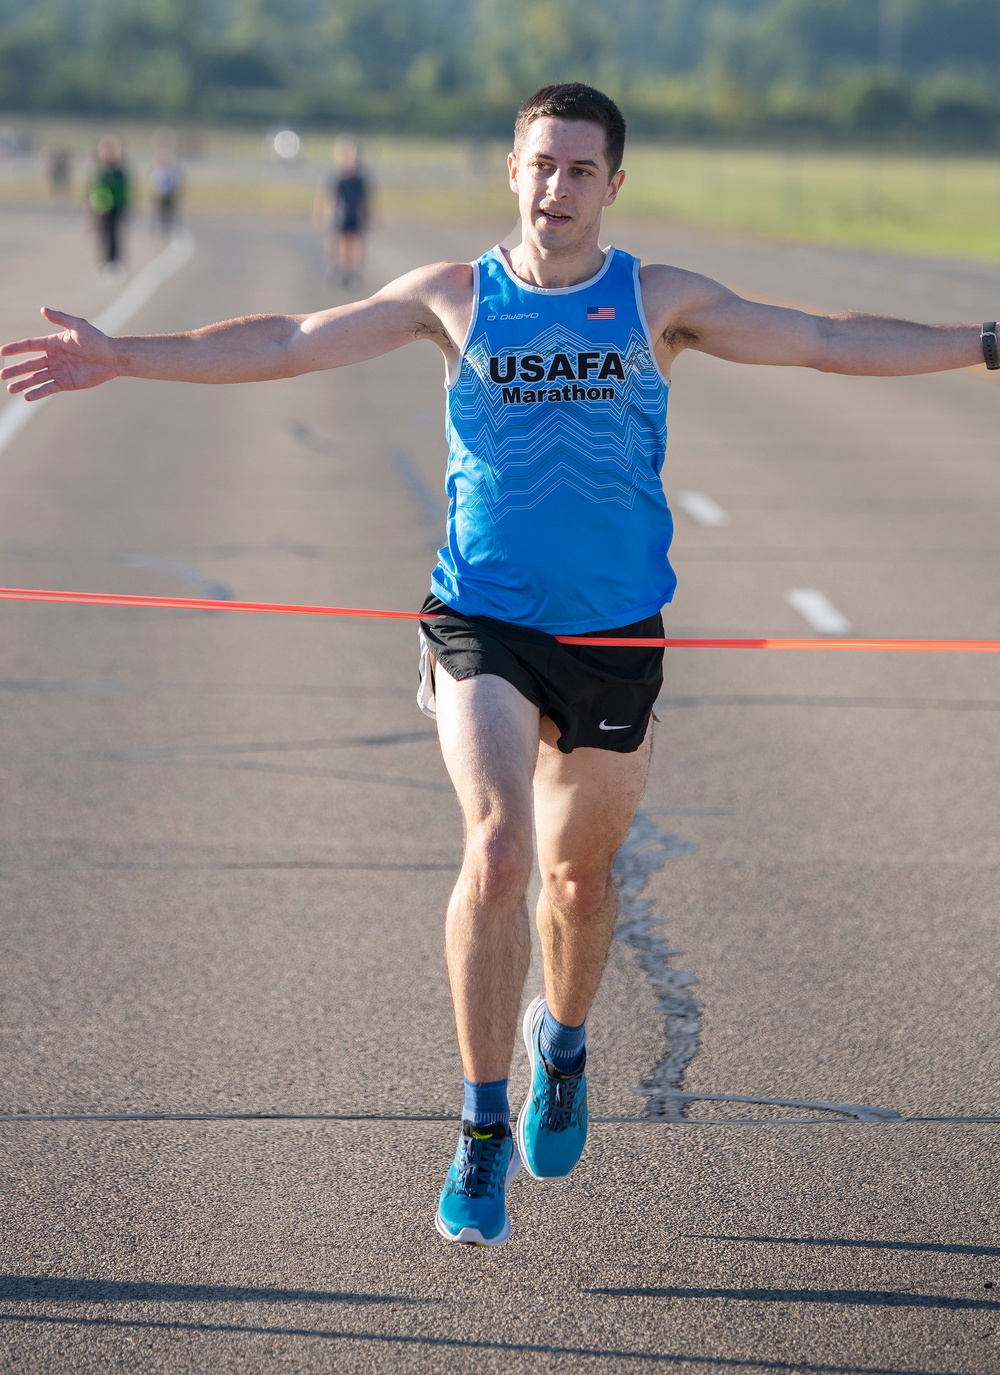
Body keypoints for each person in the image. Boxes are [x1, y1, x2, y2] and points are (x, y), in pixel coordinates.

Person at [0, 83, 992, 1248]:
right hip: (481, 619)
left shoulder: (656, 301)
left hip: (616, 634)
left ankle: (559, 1045)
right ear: (509, 170)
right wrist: (125, 355)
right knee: (500, 847)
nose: (556, 187)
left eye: (580, 169)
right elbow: (285, 339)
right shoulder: (454, 297)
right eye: (539, 164)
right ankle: (478, 1126)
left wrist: (980, 342)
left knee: (579, 880)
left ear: (611, 185)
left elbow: (824, 338)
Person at [314, 138, 370, 287]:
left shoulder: (359, 178)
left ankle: (351, 270)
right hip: (339, 215)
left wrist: (367, 214)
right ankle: (335, 267)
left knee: (352, 242)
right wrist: (324, 213)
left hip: (353, 215)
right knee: (336, 241)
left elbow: (364, 199)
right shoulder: (336, 176)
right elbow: (329, 197)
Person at [88, 136, 130, 278]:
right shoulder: (100, 173)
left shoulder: (119, 173)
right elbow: (93, 192)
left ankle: (114, 262)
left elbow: (124, 191)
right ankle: (104, 261)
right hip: (101, 208)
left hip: (116, 207)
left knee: (114, 234)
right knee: (102, 235)